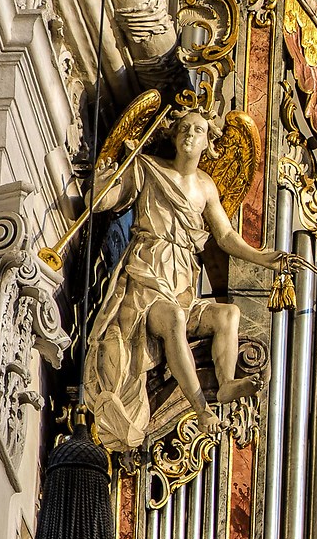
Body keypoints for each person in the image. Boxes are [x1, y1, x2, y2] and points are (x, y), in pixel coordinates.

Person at [80, 98, 290, 451]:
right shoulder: (147, 167)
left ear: (209, 141)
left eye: (198, 130)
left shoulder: (206, 187)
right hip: (147, 275)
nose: (190, 134)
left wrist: (263, 258)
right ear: (173, 135)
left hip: (182, 278)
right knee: (174, 318)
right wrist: (101, 186)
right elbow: (105, 201)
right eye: (184, 128)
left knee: (228, 314)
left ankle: (226, 382)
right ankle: (201, 407)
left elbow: (225, 236)